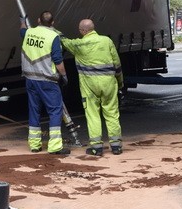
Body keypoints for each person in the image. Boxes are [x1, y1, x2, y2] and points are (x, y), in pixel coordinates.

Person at [60, 19, 124, 156]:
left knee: (93, 115)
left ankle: (97, 148)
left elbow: (65, 42)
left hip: (89, 86)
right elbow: (117, 64)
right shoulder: (106, 41)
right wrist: (120, 82)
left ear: (83, 31)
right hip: (109, 84)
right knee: (112, 113)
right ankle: (116, 146)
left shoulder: (79, 45)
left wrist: (56, 32)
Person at [21, 11, 70, 155]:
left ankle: (35, 145)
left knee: (34, 110)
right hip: (47, 80)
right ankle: (55, 146)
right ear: (53, 23)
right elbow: (58, 60)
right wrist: (64, 75)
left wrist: (22, 20)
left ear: (38, 20)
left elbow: (22, 30)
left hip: (30, 79)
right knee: (55, 110)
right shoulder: (53, 36)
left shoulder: (29, 32)